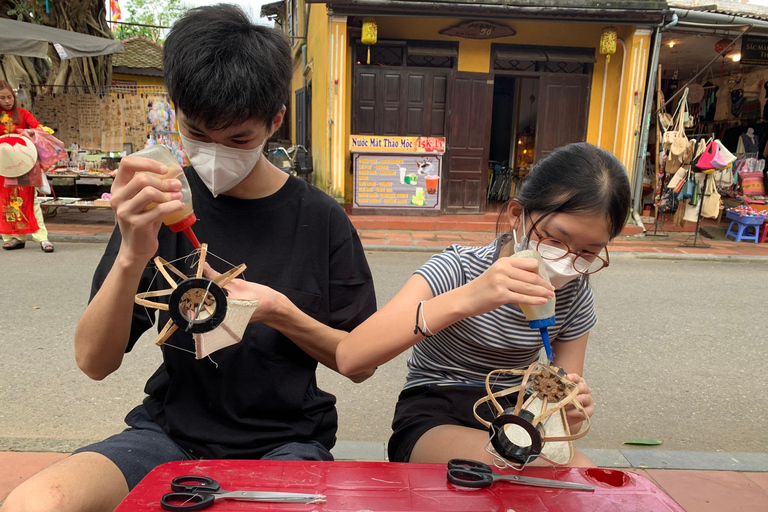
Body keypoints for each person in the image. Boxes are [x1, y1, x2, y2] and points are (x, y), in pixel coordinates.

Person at [2, 5, 376, 511]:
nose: (215, 154)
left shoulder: (322, 219)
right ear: (175, 109)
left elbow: (360, 361)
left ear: (276, 121)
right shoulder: (158, 203)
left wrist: (279, 312)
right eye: (197, 133)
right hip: (167, 435)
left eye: (239, 139)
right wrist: (133, 252)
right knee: (37, 501)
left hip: (286, 440)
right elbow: (94, 363)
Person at [336, 142, 631, 466]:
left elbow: (560, 402)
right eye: (555, 240)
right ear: (517, 215)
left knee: (588, 480)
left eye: (588, 252)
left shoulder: (574, 293)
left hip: (516, 419)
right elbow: (351, 357)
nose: (565, 262)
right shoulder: (458, 268)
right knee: (525, 469)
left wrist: (568, 413)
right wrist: (471, 297)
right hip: (434, 415)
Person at [0, 81, 54, 252]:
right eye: (2, 98)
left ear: (14, 97)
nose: (7, 101)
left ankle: (42, 237)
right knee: (5, 202)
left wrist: (32, 132)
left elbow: (39, 128)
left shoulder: (23, 114)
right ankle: (14, 237)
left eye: (9, 97)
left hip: (24, 164)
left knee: (31, 200)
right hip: (3, 166)